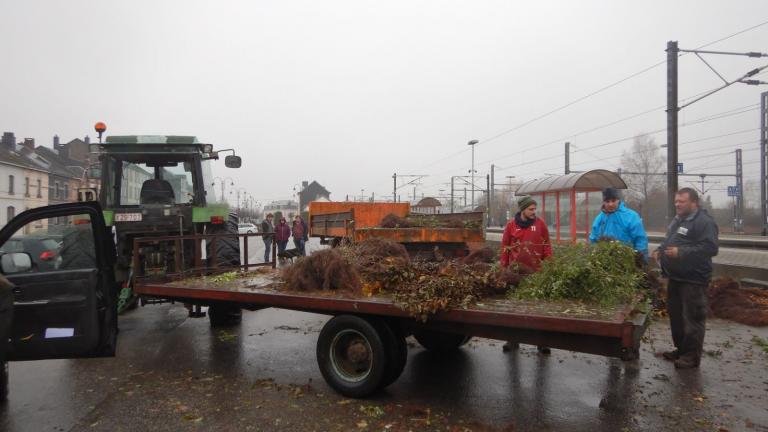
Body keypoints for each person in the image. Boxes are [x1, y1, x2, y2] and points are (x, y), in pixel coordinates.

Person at [652, 188, 718, 369]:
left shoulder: (704, 222)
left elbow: (710, 248)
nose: (677, 205)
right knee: (677, 318)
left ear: (694, 202)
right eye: (676, 202)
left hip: (694, 280)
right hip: (676, 277)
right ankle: (681, 350)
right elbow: (669, 240)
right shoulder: (678, 220)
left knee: (693, 318)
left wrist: (681, 252)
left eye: (682, 202)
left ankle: (691, 356)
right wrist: (660, 250)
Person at [500, 195, 553, 354]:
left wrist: (549, 265)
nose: (534, 211)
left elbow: (547, 245)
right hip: (515, 274)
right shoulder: (511, 226)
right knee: (515, 307)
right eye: (531, 209)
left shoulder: (540, 224)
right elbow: (505, 247)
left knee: (538, 308)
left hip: (536, 272)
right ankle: (513, 340)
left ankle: (541, 342)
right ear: (523, 209)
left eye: (535, 209)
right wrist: (503, 267)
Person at [589, 187, 649, 260]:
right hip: (604, 260)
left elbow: (640, 239)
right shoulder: (599, 218)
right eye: (607, 201)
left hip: (627, 260)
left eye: (613, 201)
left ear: (618, 200)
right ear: (603, 202)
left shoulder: (631, 216)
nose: (610, 204)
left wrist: (640, 257)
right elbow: (593, 239)